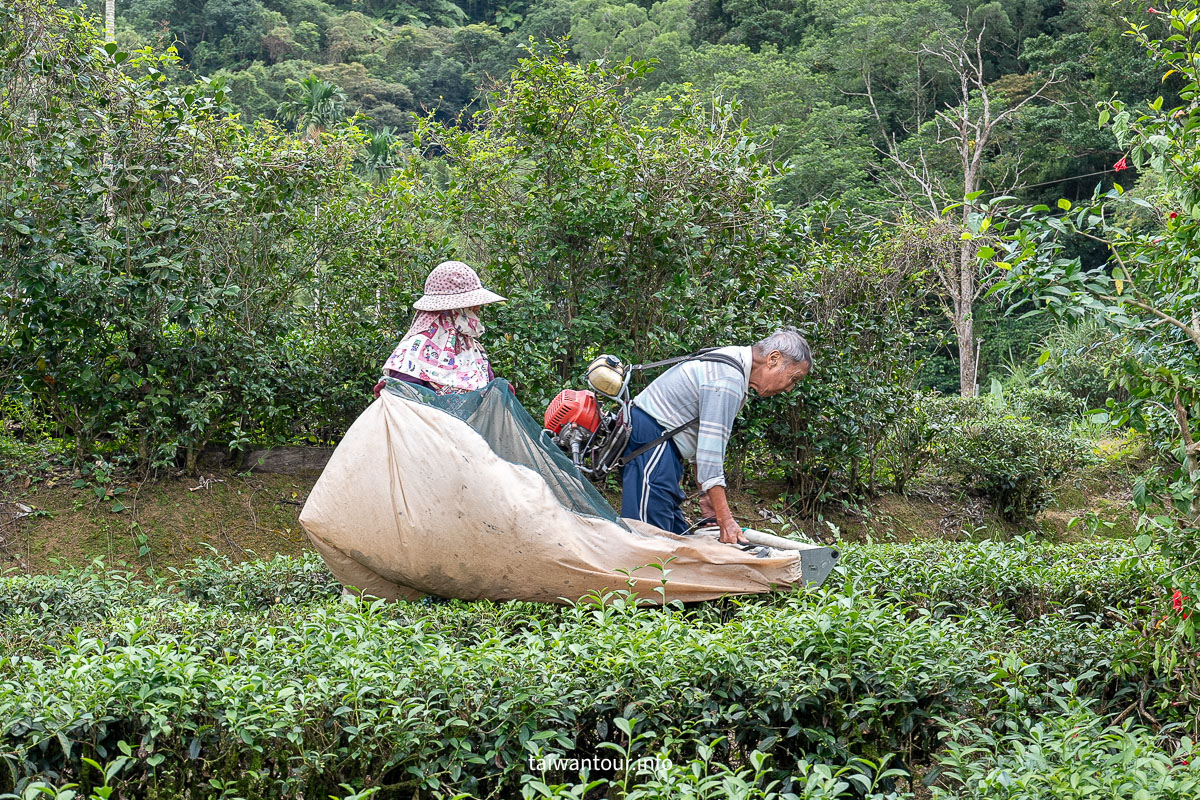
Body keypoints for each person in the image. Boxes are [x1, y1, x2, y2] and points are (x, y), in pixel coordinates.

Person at [621, 328, 812, 545]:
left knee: (675, 539)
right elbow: (709, 455)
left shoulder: (732, 363)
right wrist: (725, 520)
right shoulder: (729, 378)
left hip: (662, 447)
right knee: (649, 540)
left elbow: (701, 442)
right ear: (773, 359)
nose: (790, 388)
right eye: (793, 378)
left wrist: (706, 496)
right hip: (653, 443)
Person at [373, 261, 505, 397]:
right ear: (452, 310)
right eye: (471, 306)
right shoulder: (413, 352)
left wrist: (499, 394)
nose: (478, 309)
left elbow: (488, 395)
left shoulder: (473, 350)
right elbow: (404, 404)